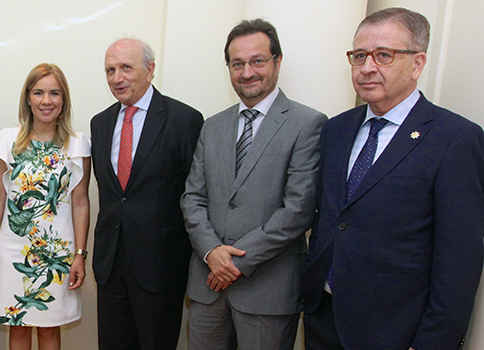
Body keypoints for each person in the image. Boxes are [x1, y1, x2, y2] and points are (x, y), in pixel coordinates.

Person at [301, 7, 484, 350]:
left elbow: (459, 261)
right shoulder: (336, 129)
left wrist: (433, 342)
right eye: (359, 56)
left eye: (383, 55)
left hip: (395, 331)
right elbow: (330, 217)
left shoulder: (455, 139)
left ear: (417, 64)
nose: (367, 67)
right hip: (323, 319)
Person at [180, 19, 326, 349]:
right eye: (237, 64)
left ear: (277, 61)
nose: (247, 72)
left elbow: (299, 208)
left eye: (257, 61)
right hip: (208, 288)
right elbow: (192, 198)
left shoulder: (308, 124)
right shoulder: (212, 126)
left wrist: (234, 263)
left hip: (268, 292)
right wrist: (211, 252)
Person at [90, 38, 204, 350]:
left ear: (150, 70)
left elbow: (197, 194)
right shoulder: (100, 124)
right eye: (110, 70)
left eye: (126, 68)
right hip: (110, 263)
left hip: (160, 265)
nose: (117, 78)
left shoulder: (184, 120)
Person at [0, 63, 91, 350]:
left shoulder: (78, 145)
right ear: (27, 97)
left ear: (64, 99)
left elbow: (80, 203)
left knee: (49, 327)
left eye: (54, 93)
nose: (46, 101)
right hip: (12, 251)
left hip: (57, 252)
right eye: (39, 92)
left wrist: (80, 254)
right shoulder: (6, 141)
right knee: (17, 326)